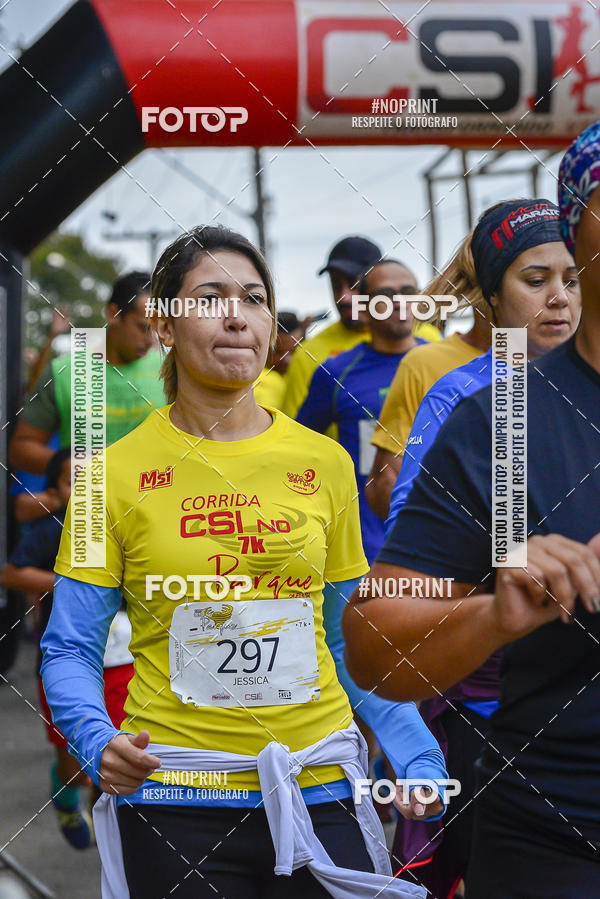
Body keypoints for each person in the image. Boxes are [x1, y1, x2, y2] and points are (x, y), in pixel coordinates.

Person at [40, 225, 426, 899]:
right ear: (164, 325)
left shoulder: (324, 463)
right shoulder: (109, 476)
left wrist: (414, 748)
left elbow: (348, 639)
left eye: (253, 298)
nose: (236, 314)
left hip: (320, 786)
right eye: (211, 296)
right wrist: (94, 738)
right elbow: (70, 645)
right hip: (175, 793)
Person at [343, 125, 600, 898]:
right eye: (533, 277)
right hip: (555, 824)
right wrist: (495, 607)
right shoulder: (495, 412)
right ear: (580, 220)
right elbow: (374, 644)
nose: (552, 294)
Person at [1, 449, 134, 850]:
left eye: (93, 480)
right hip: (66, 660)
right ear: (56, 491)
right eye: (73, 481)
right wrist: (77, 587)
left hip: (126, 659)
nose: (85, 489)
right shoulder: (50, 529)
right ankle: (65, 789)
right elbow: (11, 572)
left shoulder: (125, 522)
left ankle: (111, 813)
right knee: (76, 764)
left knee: (119, 749)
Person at [297, 259, 426, 564]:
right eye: (386, 295)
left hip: (441, 547)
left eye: (408, 292)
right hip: (363, 550)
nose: (399, 302)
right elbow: (299, 447)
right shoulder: (335, 372)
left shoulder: (446, 364)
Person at [366, 235, 493, 521]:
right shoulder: (424, 363)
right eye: (534, 280)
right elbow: (387, 480)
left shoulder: (572, 364)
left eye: (571, 280)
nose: (556, 297)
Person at [9, 271, 164, 475]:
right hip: (89, 503)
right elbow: (21, 449)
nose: (151, 339)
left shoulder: (170, 369)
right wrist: (66, 465)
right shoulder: (64, 372)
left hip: (153, 501)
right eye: (143, 327)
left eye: (158, 327)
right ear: (113, 314)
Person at [282, 236, 383, 419]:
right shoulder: (308, 355)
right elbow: (294, 436)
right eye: (336, 285)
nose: (344, 297)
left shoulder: (423, 339)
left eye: (354, 284)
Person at [254, 311, 304, 409]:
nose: (286, 360)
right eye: (278, 352)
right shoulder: (252, 383)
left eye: (293, 352)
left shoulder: (308, 376)